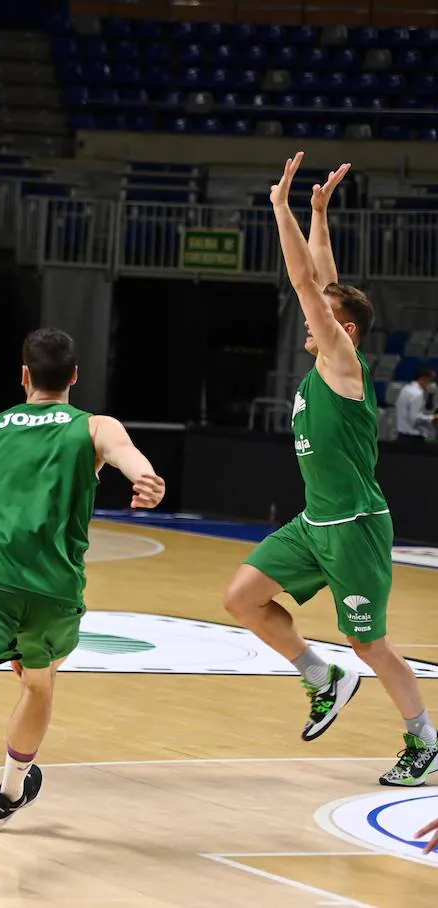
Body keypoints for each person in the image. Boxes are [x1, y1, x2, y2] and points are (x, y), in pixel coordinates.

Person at [0, 328, 166, 875]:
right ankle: (7, 795)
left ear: (24, 376)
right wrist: (145, 478)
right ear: (75, 377)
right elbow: (127, 456)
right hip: (51, 588)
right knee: (37, 683)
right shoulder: (95, 426)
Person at [223, 153, 436, 786]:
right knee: (242, 597)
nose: (310, 315)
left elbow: (308, 284)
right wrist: (318, 213)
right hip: (317, 521)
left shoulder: (344, 366)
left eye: (324, 311)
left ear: (341, 328)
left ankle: (424, 739)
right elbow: (324, 277)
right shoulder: (328, 361)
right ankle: (324, 678)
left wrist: (281, 210)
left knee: (371, 642)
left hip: (355, 528)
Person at [394, 364, 436, 443]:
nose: (432, 384)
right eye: (431, 380)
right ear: (423, 379)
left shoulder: (405, 388)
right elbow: (415, 418)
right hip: (413, 439)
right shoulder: (417, 394)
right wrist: (433, 418)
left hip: (401, 435)